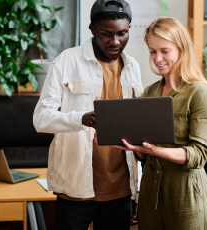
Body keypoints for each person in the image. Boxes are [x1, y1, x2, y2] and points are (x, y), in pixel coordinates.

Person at [32, 0, 144, 229]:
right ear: (92, 29)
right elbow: (41, 118)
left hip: (121, 188)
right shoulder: (67, 61)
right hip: (76, 187)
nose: (115, 42)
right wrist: (80, 119)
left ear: (129, 29)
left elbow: (136, 129)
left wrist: (137, 191)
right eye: (106, 34)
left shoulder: (133, 67)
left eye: (122, 33)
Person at [113, 17, 207, 230]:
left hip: (184, 191)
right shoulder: (150, 92)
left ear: (181, 49)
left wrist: (155, 150)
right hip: (151, 190)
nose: (157, 58)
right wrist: (138, 149)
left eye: (165, 51)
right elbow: (144, 148)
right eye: (152, 51)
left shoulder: (201, 93)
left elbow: (199, 155)